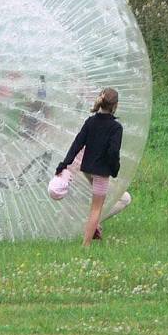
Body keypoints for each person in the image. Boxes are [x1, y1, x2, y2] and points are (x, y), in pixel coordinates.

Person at [53, 88, 124, 246]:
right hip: (101, 172)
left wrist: (64, 164)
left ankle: (93, 228)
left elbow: (77, 144)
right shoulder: (115, 127)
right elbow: (113, 152)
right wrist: (114, 169)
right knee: (96, 208)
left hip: (87, 169)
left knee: (97, 205)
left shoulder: (90, 121)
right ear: (115, 105)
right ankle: (86, 245)